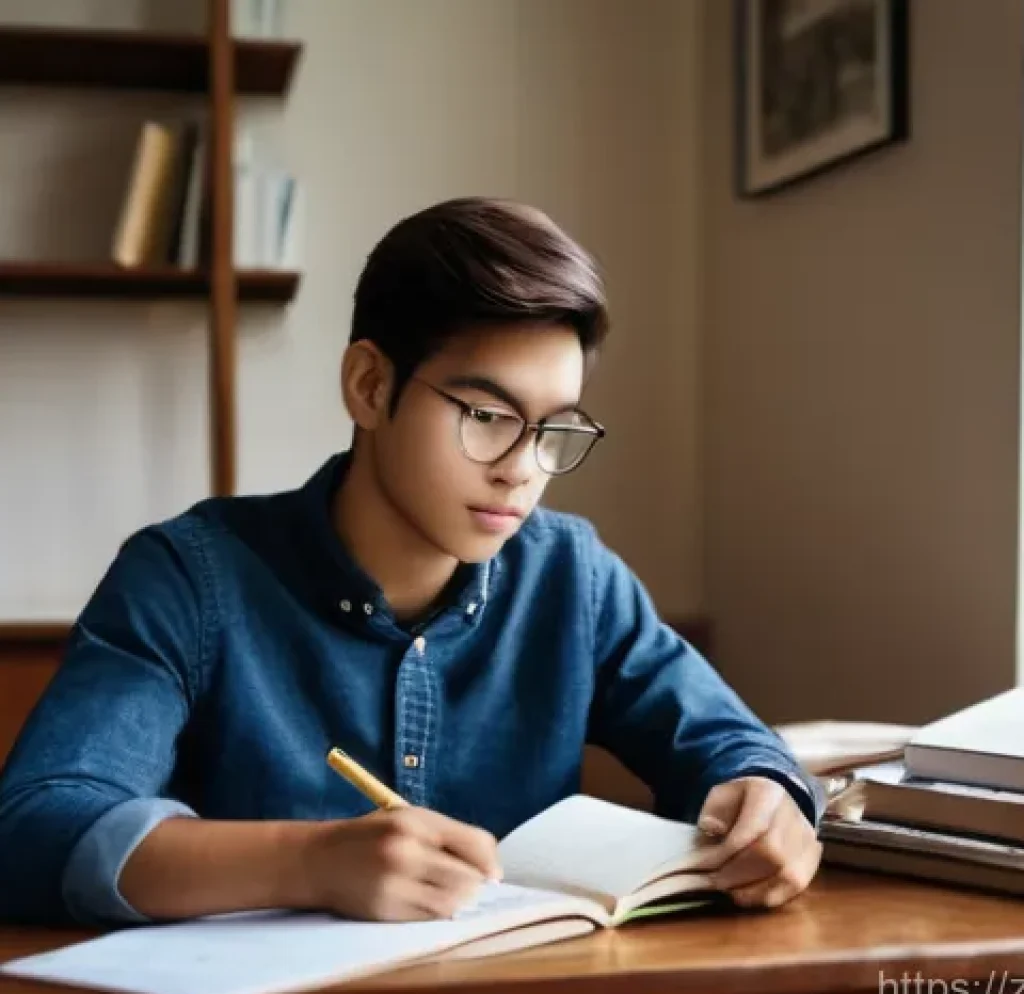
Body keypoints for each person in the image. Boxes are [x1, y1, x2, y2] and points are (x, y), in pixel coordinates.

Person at [0, 198, 824, 928]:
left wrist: (767, 801)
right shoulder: (188, 579)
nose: (521, 467)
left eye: (556, 430)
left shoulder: (573, 578)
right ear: (368, 385)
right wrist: (307, 864)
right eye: (487, 414)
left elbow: (728, 746)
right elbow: (35, 827)